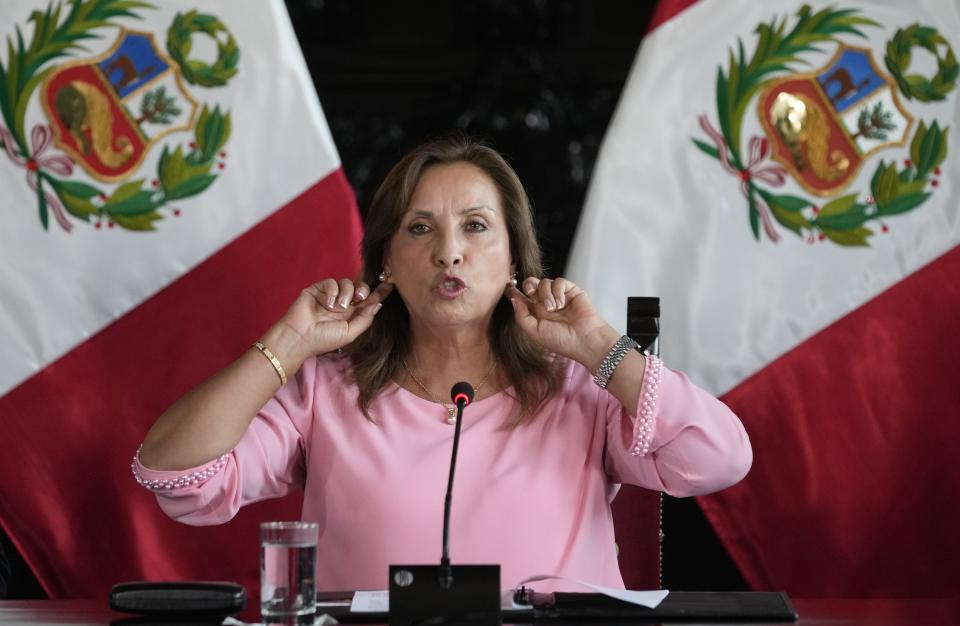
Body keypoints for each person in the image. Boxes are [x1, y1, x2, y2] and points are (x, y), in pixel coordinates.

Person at [133, 134, 752, 591]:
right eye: (420, 229)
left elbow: (719, 459)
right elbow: (175, 474)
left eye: (476, 227)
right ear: (387, 262)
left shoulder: (576, 391)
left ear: (514, 258)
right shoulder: (327, 389)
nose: (449, 253)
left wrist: (597, 348)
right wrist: (288, 345)